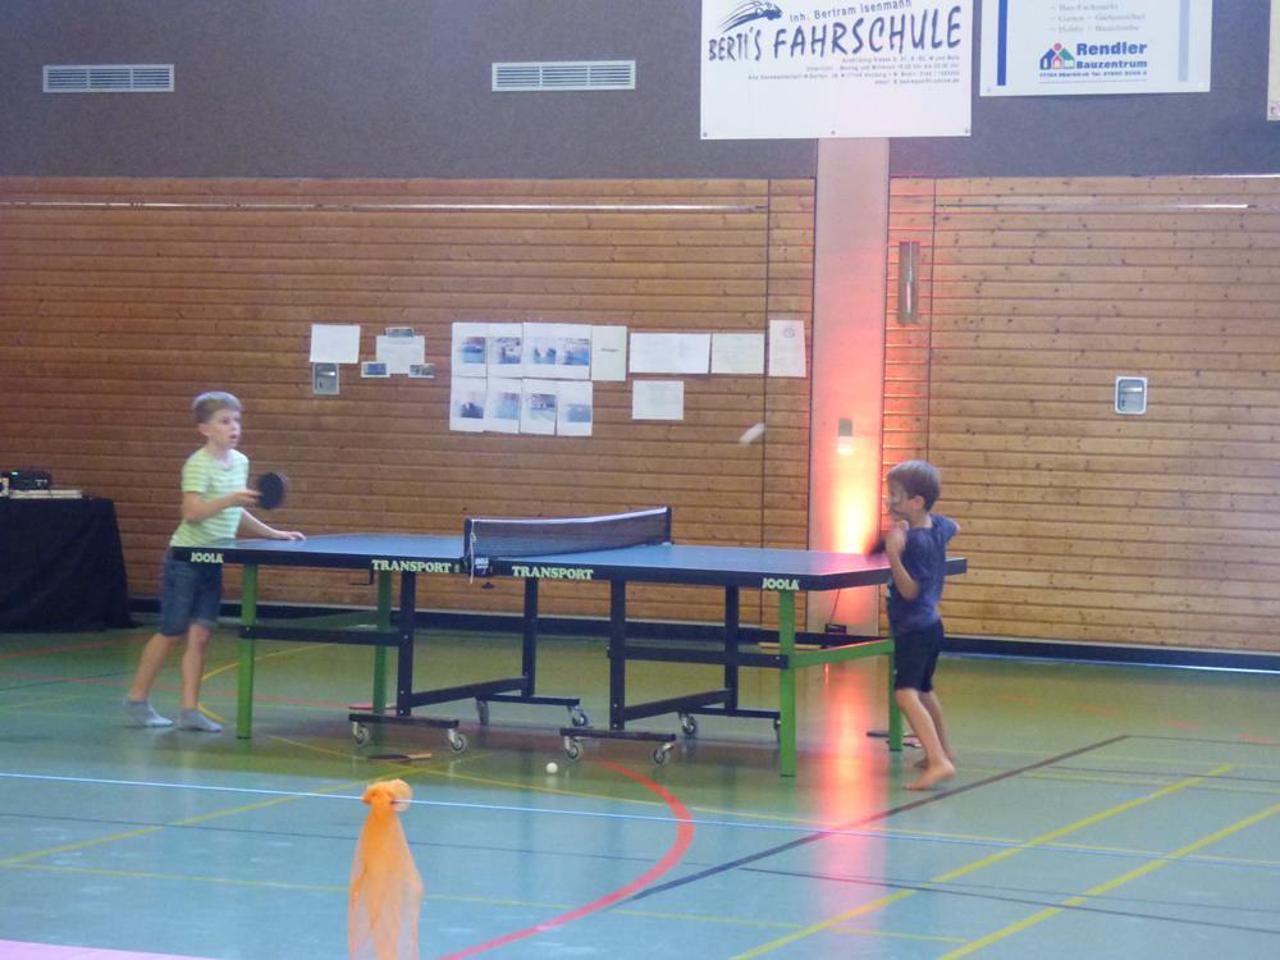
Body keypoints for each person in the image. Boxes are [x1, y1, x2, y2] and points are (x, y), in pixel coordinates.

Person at [124, 391, 304, 731]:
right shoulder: (197, 464)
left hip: (213, 559)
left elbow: (236, 511)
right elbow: (192, 513)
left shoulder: (241, 462)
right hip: (185, 559)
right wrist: (230, 499)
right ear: (205, 429)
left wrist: (273, 533)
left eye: (236, 420)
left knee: (202, 636)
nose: (233, 427)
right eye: (224, 421)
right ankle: (137, 699)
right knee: (171, 631)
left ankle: (189, 711)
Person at [883, 459, 959, 790]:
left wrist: (894, 555)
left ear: (916, 502)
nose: (889, 501)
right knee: (924, 691)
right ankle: (943, 751)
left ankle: (939, 762)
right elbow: (955, 526)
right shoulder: (938, 526)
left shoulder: (914, 543)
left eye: (895, 495)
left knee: (905, 695)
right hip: (931, 626)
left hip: (913, 629)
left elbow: (910, 591)